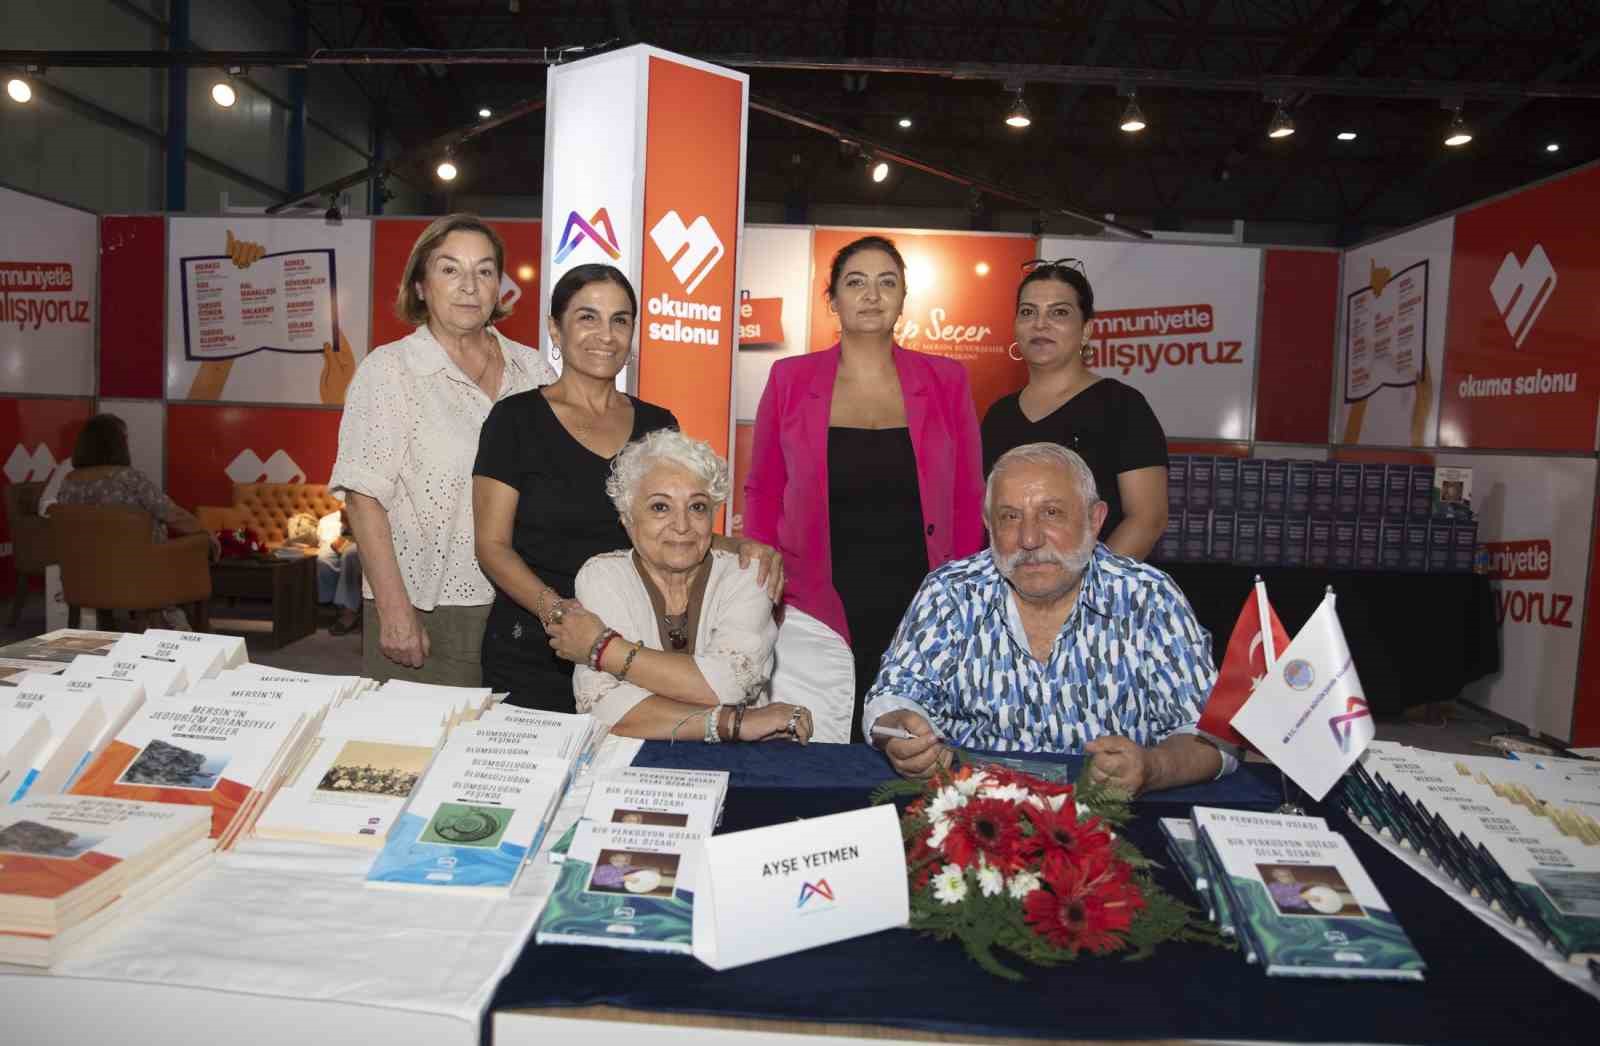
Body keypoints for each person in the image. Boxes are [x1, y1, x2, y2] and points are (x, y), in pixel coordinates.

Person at [473, 269, 783, 712]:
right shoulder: (514, 421)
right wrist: (561, 615)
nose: (606, 334)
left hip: (635, 649)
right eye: (588, 317)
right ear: (555, 329)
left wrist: (739, 546)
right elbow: (492, 546)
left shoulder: (658, 423)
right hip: (538, 645)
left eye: (620, 320)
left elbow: (667, 527)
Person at [865, 442, 1234, 795]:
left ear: (1095, 519)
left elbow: (1212, 739)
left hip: (1114, 826)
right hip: (970, 818)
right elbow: (891, 700)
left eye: (1051, 513)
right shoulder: (951, 593)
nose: (1029, 538)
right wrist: (901, 734)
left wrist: (1152, 768)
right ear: (988, 525)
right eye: (1010, 517)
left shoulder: (1148, 598)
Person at [744, 235, 985, 743]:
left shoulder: (947, 380)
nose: (872, 295)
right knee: (822, 740)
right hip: (815, 595)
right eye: (856, 282)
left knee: (912, 742)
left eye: (886, 282)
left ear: (903, 299)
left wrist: (959, 591)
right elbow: (763, 487)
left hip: (922, 595)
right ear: (831, 300)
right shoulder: (790, 378)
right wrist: (763, 571)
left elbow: (967, 493)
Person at [330, 214, 557, 684]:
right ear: (420, 285)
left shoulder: (532, 370)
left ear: (499, 287)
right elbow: (362, 497)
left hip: (524, 605)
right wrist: (394, 611)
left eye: (485, 271)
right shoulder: (390, 371)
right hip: (427, 610)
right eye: (450, 269)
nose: (469, 286)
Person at [542, 429, 812, 743]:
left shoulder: (748, 573)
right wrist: (734, 723)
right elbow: (606, 709)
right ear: (628, 519)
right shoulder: (602, 577)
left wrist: (604, 650)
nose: (682, 525)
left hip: (737, 767)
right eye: (660, 507)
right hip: (628, 769)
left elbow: (728, 685)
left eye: (697, 507)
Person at [981, 260, 1169, 560]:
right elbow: (991, 519)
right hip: (1010, 593)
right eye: (1028, 312)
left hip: (1092, 596)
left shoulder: (1122, 406)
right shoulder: (998, 416)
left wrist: (1083, 593)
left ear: (1086, 330)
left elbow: (1148, 519)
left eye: (1059, 313)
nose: (1040, 324)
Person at [51, 413, 220, 629]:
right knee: (194, 548)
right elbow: (172, 514)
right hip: (139, 574)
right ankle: (173, 631)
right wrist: (206, 534)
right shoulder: (128, 479)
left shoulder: (68, 483)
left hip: (86, 578)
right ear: (116, 444)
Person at [316, 506, 362, 635]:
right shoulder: (331, 519)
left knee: (350, 555)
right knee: (323, 559)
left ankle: (349, 612)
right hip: (342, 537)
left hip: (364, 535)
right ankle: (328, 603)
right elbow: (332, 541)